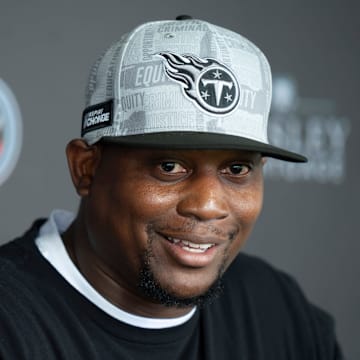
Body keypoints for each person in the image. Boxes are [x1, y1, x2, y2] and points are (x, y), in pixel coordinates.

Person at [0, 16, 343, 359]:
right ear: (85, 168)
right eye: (169, 167)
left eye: (236, 169)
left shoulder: (278, 309)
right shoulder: (11, 322)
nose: (208, 205)